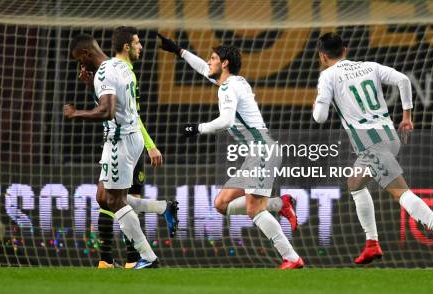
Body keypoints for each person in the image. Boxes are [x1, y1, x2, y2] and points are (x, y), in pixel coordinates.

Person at [157, 33, 304, 269]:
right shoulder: (235, 82)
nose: (209, 62)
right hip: (257, 153)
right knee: (221, 204)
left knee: (254, 209)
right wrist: (179, 52)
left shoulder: (228, 89)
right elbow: (204, 70)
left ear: (224, 63)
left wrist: (196, 128)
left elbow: (225, 121)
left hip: (263, 151)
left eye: (213, 58)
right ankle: (281, 203)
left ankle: (291, 257)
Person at [312, 33, 433, 266]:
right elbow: (403, 80)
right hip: (389, 135)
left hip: (371, 142)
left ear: (322, 56)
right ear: (345, 49)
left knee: (399, 191)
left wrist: (320, 101)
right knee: (354, 183)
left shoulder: (328, 76)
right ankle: (372, 244)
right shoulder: (370, 66)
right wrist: (407, 117)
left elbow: (320, 117)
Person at [64, 33, 159, 269]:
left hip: (120, 140)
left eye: (79, 59)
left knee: (115, 200)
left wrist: (75, 113)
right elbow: (116, 104)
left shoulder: (104, 72)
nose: (80, 65)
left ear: (86, 54)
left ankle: (146, 256)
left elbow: (107, 110)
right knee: (103, 197)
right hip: (128, 137)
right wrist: (91, 85)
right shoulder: (119, 65)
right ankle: (163, 210)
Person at [86, 27, 177, 268]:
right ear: (126, 46)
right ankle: (107, 258)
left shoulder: (125, 73)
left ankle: (135, 259)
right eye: (137, 43)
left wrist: (150, 146)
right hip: (117, 139)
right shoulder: (119, 72)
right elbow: (115, 108)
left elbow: (132, 115)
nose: (141, 47)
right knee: (105, 197)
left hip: (128, 140)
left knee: (121, 198)